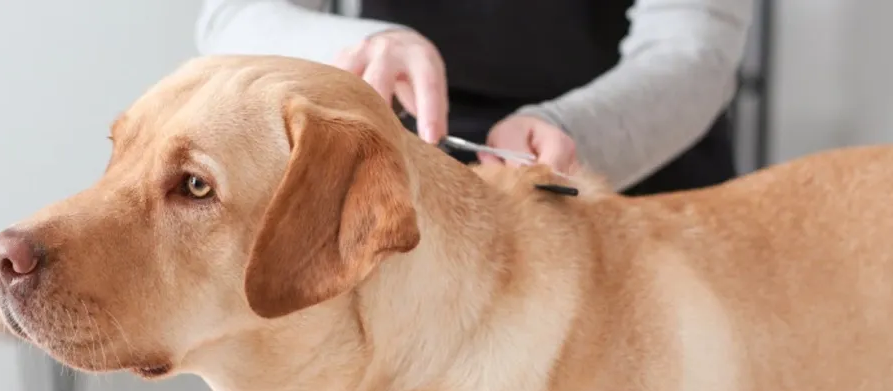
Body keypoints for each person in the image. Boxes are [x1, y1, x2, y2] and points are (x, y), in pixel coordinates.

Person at [195, 0, 755, 195]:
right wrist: (369, 46)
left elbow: (694, 50)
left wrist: (569, 127)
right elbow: (231, 17)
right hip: (407, 175)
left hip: (631, 175)